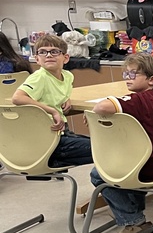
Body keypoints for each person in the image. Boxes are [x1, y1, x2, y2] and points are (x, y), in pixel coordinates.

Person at [89, 55, 153, 233]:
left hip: (150, 168)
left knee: (98, 173)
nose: (127, 77)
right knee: (125, 163)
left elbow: (102, 107)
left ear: (152, 79)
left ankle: (134, 221)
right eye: (126, 72)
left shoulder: (140, 99)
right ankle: (133, 207)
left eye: (133, 73)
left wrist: (92, 113)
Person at [11, 34, 92, 167]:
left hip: (61, 133)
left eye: (54, 52)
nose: (48, 55)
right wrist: (52, 111)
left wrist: (67, 98)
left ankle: (55, 160)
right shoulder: (40, 77)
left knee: (100, 146)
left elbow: (56, 92)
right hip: (47, 138)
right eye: (43, 52)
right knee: (101, 149)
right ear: (37, 59)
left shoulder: (68, 76)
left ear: (65, 58)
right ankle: (52, 161)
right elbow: (17, 98)